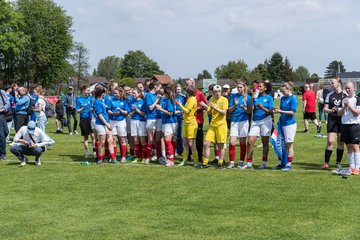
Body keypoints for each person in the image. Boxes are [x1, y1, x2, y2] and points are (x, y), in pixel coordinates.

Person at [243, 81, 274, 169]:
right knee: (249, 142)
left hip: (266, 121)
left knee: (265, 142)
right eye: (257, 87)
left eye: (260, 87)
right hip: (255, 121)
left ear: (265, 88)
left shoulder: (269, 98)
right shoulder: (255, 98)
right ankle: (249, 163)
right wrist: (252, 99)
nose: (258, 88)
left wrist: (262, 108)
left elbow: (270, 112)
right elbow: (249, 111)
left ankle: (264, 162)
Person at [200, 85, 228, 168]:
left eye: (219, 91)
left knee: (220, 145)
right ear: (213, 92)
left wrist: (214, 107)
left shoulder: (224, 99)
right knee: (206, 143)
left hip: (221, 125)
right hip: (212, 125)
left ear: (221, 92)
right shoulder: (211, 99)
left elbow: (224, 112)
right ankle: (205, 163)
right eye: (215, 92)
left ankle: (220, 163)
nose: (217, 93)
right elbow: (208, 113)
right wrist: (210, 108)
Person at [273, 82, 298, 171]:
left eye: (283, 91)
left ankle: (288, 164)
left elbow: (292, 112)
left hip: (290, 124)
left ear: (288, 89)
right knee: (280, 143)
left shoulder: (293, 98)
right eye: (281, 91)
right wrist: (277, 110)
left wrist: (281, 111)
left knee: (288, 144)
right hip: (282, 123)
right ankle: (281, 163)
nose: (282, 93)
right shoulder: (283, 98)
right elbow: (282, 109)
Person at [322, 78, 346, 169]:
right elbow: (325, 109)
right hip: (332, 120)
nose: (331, 84)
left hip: (342, 120)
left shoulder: (345, 94)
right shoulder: (329, 94)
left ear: (338, 83)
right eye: (330, 83)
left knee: (340, 142)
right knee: (330, 141)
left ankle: (338, 162)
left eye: (332, 83)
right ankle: (326, 162)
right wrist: (332, 110)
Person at [338, 82, 360, 175]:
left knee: (355, 146)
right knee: (348, 147)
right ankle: (351, 166)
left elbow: (357, 112)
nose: (347, 90)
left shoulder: (357, 99)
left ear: (353, 88)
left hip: (354, 125)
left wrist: (349, 106)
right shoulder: (343, 99)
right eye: (346, 88)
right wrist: (344, 107)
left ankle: (357, 167)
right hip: (345, 125)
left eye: (349, 88)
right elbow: (339, 113)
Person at [227, 82, 251, 169]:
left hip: (244, 121)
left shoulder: (248, 97)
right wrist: (235, 105)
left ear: (244, 87)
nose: (239, 89)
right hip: (234, 121)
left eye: (240, 87)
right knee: (232, 142)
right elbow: (229, 110)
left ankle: (241, 162)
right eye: (238, 87)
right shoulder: (233, 96)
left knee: (242, 142)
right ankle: (232, 162)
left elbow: (249, 112)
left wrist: (243, 108)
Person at [175, 86, 199, 166]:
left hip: (191, 124)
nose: (185, 93)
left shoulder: (192, 99)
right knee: (185, 143)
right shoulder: (189, 99)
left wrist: (179, 105)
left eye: (186, 91)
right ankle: (184, 160)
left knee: (191, 143)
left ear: (189, 92)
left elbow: (187, 111)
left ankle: (196, 161)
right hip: (186, 123)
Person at [93, 86, 117, 164]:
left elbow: (105, 109)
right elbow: (99, 115)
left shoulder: (102, 101)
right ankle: (100, 158)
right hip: (100, 124)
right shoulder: (96, 102)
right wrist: (107, 124)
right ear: (101, 93)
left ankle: (113, 158)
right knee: (102, 142)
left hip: (106, 123)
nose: (105, 94)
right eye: (104, 93)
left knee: (110, 141)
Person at [186, 77, 207, 163]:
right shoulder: (187, 94)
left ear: (194, 84)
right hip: (189, 121)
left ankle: (199, 157)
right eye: (187, 84)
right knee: (189, 139)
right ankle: (189, 156)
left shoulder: (200, 93)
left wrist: (197, 109)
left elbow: (205, 106)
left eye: (189, 84)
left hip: (198, 120)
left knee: (198, 139)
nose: (188, 86)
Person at [156, 86, 177, 167]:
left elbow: (170, 113)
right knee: (167, 140)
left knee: (167, 141)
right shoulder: (165, 100)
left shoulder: (169, 101)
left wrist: (160, 109)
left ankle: (171, 160)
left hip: (169, 123)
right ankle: (170, 157)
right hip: (165, 122)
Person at [108, 88, 129, 162]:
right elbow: (108, 110)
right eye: (114, 93)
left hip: (121, 121)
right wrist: (113, 113)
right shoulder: (111, 100)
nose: (115, 94)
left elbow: (126, 112)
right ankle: (114, 157)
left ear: (120, 93)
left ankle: (123, 156)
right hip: (112, 121)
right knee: (113, 139)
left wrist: (120, 111)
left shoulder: (124, 101)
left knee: (122, 139)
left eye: (116, 93)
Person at [144, 81, 162, 164]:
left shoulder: (158, 95)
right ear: (155, 87)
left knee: (158, 139)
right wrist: (157, 99)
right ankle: (148, 157)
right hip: (151, 118)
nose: (160, 89)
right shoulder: (148, 95)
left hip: (159, 118)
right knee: (150, 139)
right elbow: (150, 108)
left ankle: (159, 157)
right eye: (160, 87)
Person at [76, 85, 95, 159]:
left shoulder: (91, 98)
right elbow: (77, 111)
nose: (89, 92)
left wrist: (92, 109)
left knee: (93, 136)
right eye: (87, 90)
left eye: (89, 90)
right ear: (83, 90)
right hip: (83, 119)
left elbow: (94, 106)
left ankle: (94, 152)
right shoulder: (79, 99)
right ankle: (87, 152)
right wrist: (82, 108)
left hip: (91, 118)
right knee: (86, 137)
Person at [129, 88, 147, 163]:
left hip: (141, 122)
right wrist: (133, 110)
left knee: (142, 140)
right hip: (133, 121)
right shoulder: (131, 102)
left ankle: (144, 157)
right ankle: (138, 156)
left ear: (139, 94)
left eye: (135, 93)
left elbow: (143, 114)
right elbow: (130, 114)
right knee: (135, 140)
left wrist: (137, 110)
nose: (133, 94)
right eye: (132, 93)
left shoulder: (143, 102)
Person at [174, 84, 186, 156]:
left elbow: (185, 107)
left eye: (180, 89)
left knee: (180, 135)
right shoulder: (173, 97)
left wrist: (181, 112)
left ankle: (181, 150)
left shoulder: (183, 97)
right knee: (174, 134)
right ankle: (175, 150)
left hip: (180, 117)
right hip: (174, 117)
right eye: (177, 89)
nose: (178, 91)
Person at [0, 86, 11, 160]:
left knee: (2, 135)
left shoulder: (2, 92)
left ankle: (3, 154)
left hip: (0, 115)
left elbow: (7, 104)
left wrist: (2, 109)